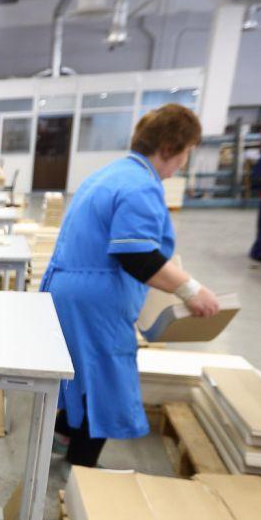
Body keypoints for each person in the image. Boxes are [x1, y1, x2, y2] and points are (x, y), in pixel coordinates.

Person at [40, 104, 221, 468]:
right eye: (186, 152)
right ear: (169, 148)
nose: (184, 162)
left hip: (68, 290)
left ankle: (63, 437)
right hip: (97, 301)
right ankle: (83, 473)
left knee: (81, 376)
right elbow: (136, 256)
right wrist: (191, 290)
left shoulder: (110, 174)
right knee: (105, 384)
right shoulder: (141, 186)